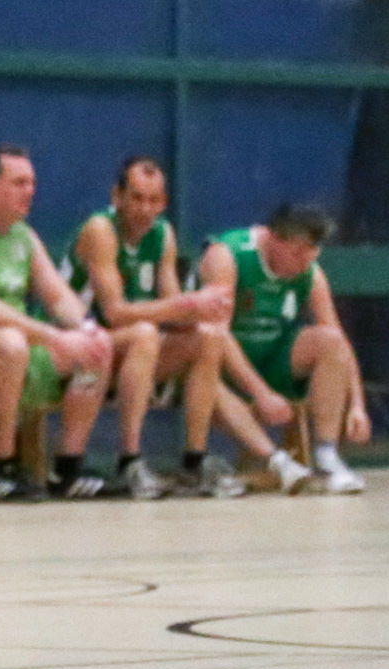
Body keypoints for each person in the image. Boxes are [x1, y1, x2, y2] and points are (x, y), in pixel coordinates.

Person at [69, 158, 293, 498]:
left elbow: (174, 311)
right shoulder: (100, 230)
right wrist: (188, 305)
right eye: (137, 198)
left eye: (154, 200)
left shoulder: (163, 234)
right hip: (78, 349)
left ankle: (194, 461)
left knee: (207, 337)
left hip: (129, 354)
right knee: (144, 334)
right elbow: (114, 313)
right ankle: (129, 461)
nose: (146, 209)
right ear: (117, 196)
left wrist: (207, 307)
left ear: (164, 202)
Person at [0, 147, 127, 501]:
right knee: (9, 343)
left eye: (32, 182)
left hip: (18, 348)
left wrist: (85, 327)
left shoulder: (23, 235)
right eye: (19, 182)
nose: (30, 191)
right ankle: (1, 470)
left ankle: (67, 469)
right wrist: (53, 337)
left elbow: (58, 297)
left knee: (97, 347)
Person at [196, 204, 366, 494]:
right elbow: (218, 334)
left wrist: (357, 405)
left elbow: (339, 339)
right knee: (204, 364)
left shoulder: (310, 272)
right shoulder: (227, 256)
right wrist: (261, 393)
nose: (304, 262)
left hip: (271, 358)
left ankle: (327, 457)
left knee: (330, 342)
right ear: (273, 238)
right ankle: (278, 462)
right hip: (219, 365)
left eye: (312, 253)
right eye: (297, 252)